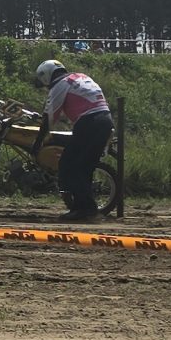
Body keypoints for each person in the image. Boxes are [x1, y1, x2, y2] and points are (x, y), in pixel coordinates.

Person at [33, 57, 113, 219]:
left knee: (70, 164)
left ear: (46, 76)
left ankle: (84, 209)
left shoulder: (60, 85)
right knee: (85, 166)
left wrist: (38, 141)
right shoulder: (81, 77)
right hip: (105, 120)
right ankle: (85, 208)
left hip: (89, 122)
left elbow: (49, 117)